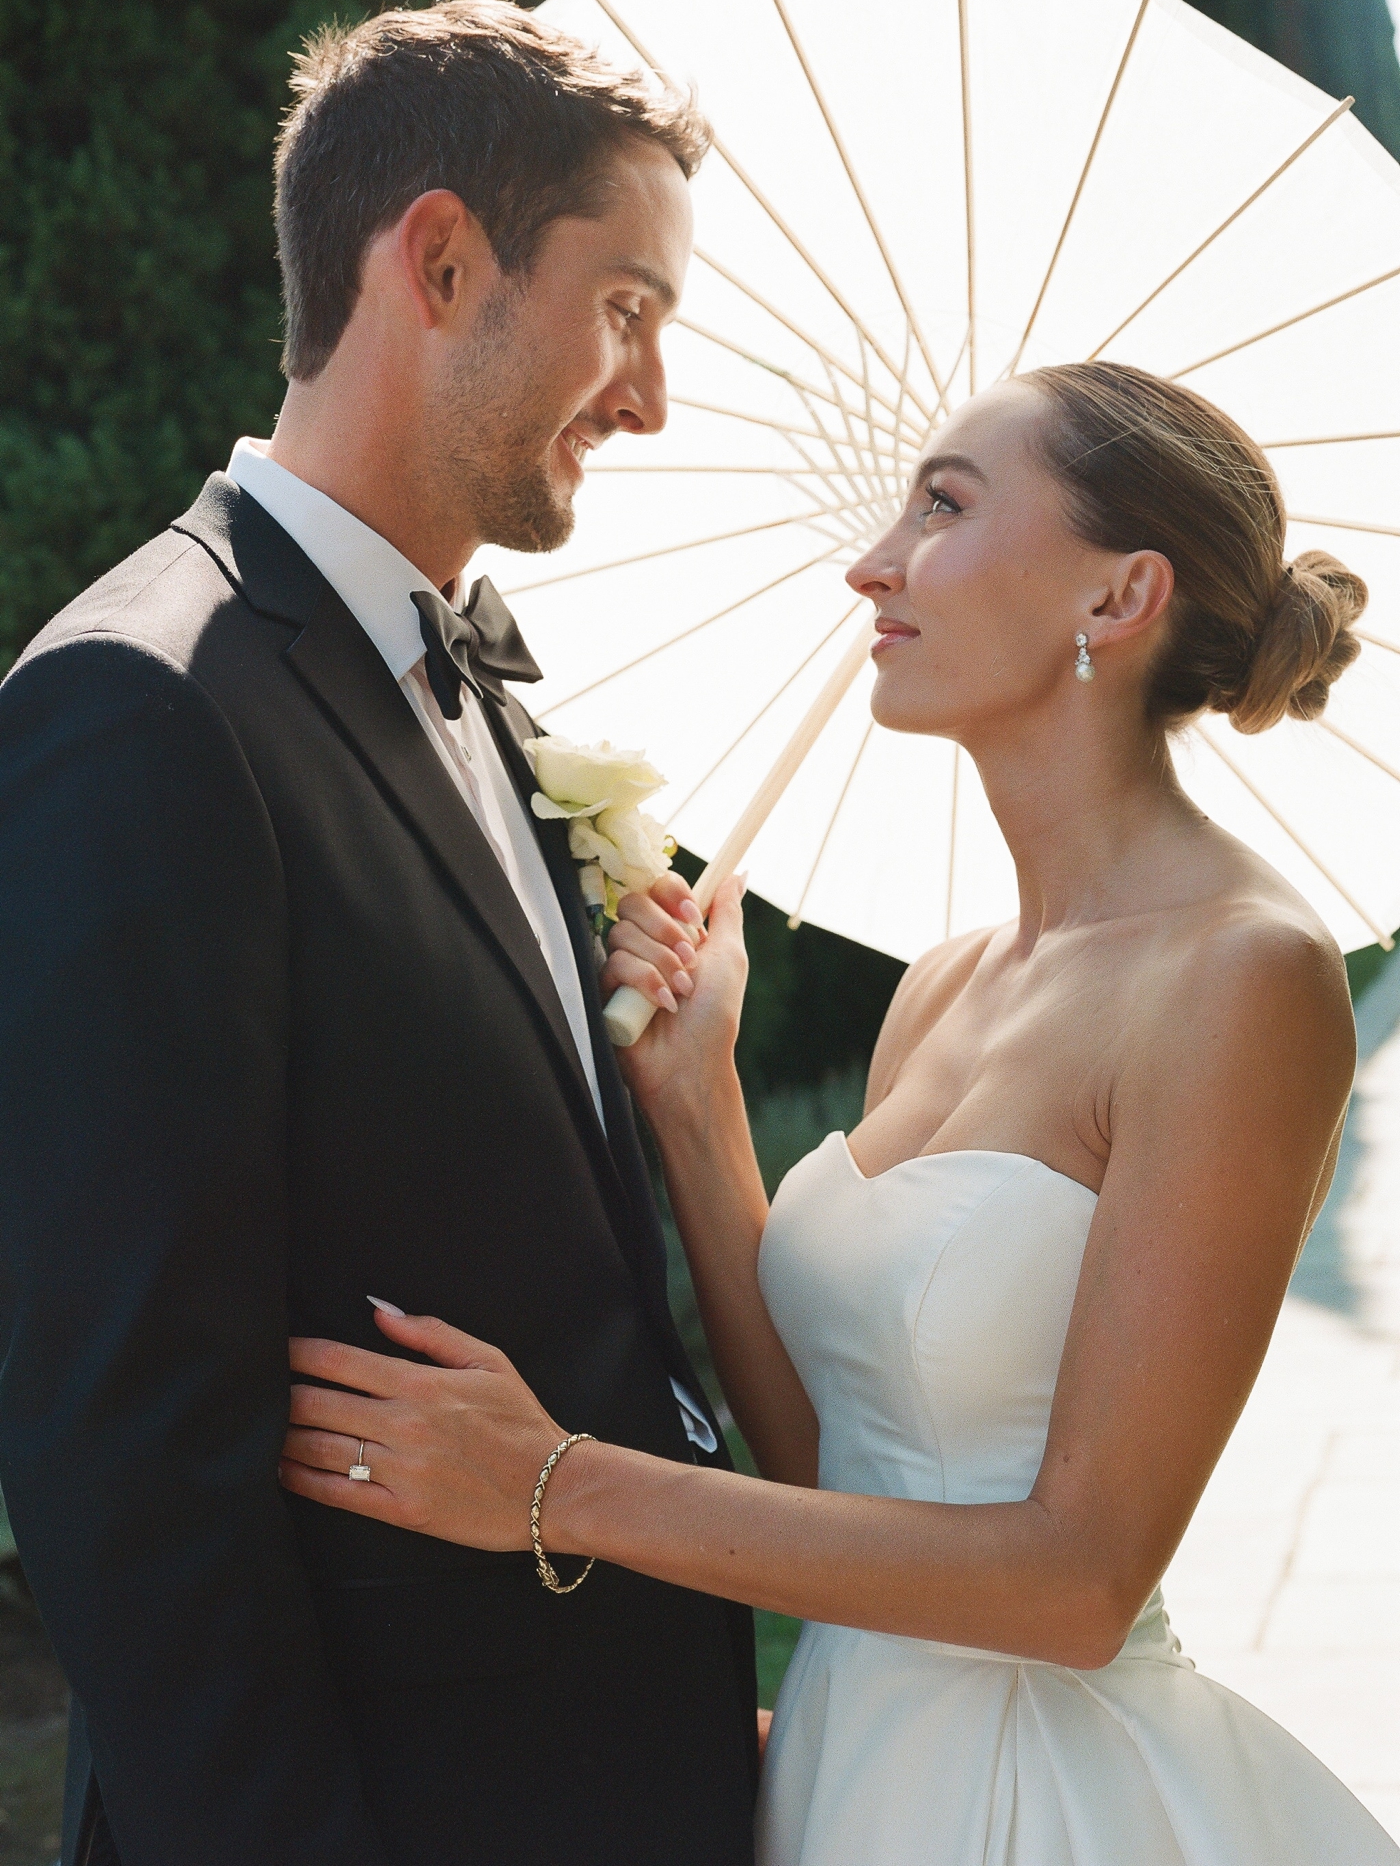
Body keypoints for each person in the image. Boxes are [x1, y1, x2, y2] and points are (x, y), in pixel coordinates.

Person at [281, 362, 1400, 1865]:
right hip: (850, 1776)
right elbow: (837, 1475)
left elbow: (1078, 1585)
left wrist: (553, 1485)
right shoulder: (944, 983)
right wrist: (698, 1107)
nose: (871, 561)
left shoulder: (1245, 979)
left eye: (943, 506)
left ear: (1119, 598)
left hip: (1037, 1807)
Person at [0, 0, 759, 1866]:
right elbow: (125, 1465)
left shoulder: (471, 676)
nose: (649, 396)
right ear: (436, 258)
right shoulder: (143, 710)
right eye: (628, 308)